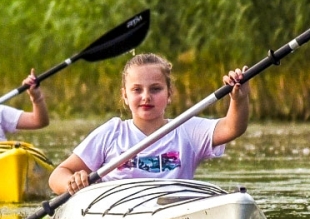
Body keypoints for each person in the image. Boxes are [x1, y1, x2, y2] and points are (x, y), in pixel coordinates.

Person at [49, 53, 249, 194]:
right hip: (117, 216)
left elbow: (232, 128)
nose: (146, 97)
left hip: (175, 217)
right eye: (137, 90)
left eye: (155, 89)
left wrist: (238, 99)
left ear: (169, 94)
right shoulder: (113, 132)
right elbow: (57, 176)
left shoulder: (186, 129)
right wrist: (72, 182)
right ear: (125, 96)